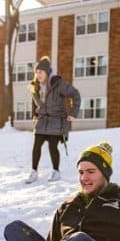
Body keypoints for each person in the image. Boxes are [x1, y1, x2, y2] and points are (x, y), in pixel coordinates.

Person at [25, 56, 80, 184]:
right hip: (43, 119)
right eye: (36, 72)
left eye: (40, 72)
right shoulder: (35, 86)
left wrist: (73, 113)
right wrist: (34, 113)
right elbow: (34, 101)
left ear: (47, 72)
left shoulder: (58, 83)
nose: (38, 75)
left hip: (57, 120)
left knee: (52, 146)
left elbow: (75, 94)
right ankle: (33, 171)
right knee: (36, 145)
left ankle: (56, 171)